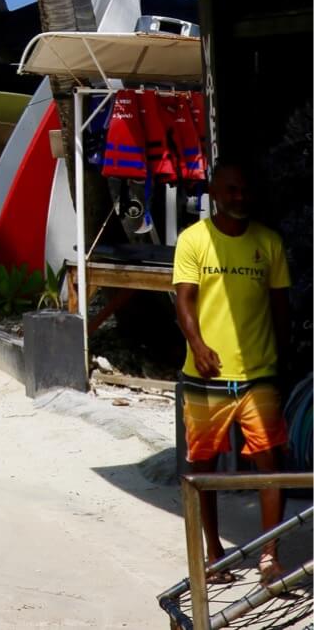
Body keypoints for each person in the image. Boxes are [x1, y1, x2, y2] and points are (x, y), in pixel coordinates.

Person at [173, 160, 291, 586]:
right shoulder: (193, 240)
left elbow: (281, 310)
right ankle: (214, 552)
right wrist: (198, 347)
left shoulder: (269, 243)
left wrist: (282, 362)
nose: (239, 197)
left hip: (259, 374)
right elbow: (183, 301)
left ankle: (269, 554)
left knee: (270, 465)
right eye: (231, 190)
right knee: (203, 470)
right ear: (214, 191)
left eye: (244, 190)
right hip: (206, 377)